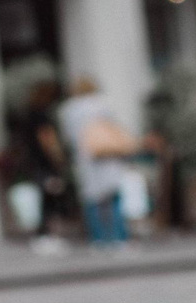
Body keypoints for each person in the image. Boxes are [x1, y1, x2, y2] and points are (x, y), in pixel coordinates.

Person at [59, 76, 138, 247]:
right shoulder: (102, 104)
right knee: (113, 197)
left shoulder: (69, 109)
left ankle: (98, 238)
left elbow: (68, 137)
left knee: (91, 200)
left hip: (85, 158)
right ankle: (119, 237)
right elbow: (114, 127)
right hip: (107, 156)